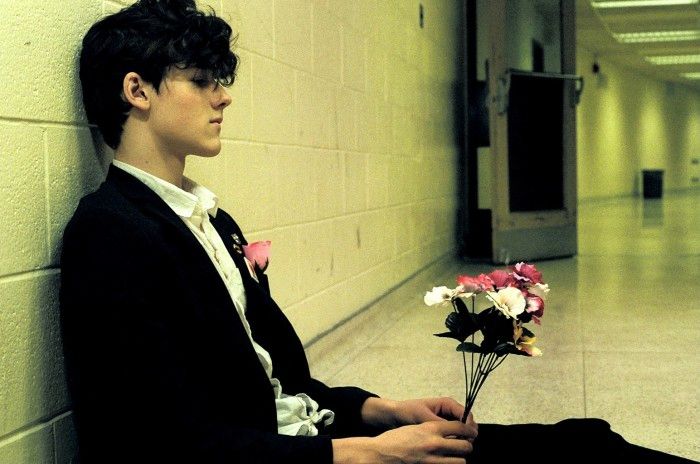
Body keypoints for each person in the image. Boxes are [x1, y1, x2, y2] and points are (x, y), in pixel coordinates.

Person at [59, 1, 696, 463]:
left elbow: (280, 384)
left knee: (586, 441)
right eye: (201, 82)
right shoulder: (110, 235)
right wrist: (371, 454)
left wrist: (383, 410)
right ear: (136, 91)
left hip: (314, 439)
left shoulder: (209, 220)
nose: (223, 97)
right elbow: (159, 445)